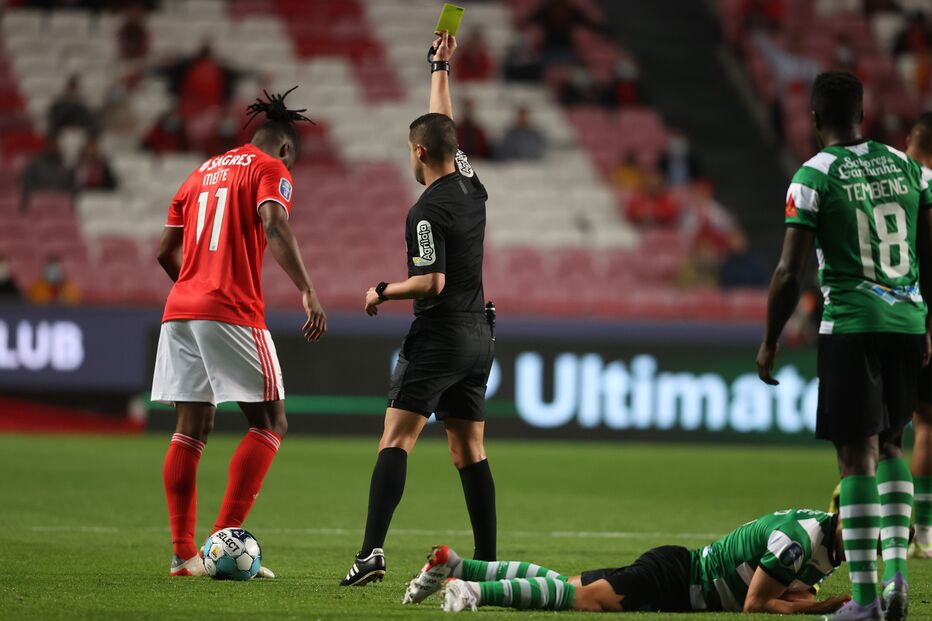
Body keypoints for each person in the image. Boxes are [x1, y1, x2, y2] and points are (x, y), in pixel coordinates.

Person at [756, 72, 932, 621]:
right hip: (907, 322)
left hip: (851, 324)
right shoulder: (907, 166)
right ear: (864, 113)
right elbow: (929, 249)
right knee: (894, 445)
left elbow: (789, 271)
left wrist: (770, 340)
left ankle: (863, 601)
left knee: (855, 457)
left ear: (812, 119)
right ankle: (899, 578)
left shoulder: (813, 175)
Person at [340, 31, 496, 587]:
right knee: (468, 449)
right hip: (480, 334)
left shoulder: (424, 211)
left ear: (418, 152)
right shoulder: (472, 187)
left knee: (395, 439)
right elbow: (445, 131)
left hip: (439, 336)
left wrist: (382, 290)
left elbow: (431, 281)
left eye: (412, 148)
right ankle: (487, 562)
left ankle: (370, 555)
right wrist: (440, 68)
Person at [151, 88, 327, 578]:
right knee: (270, 421)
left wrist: (193, 287)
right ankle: (223, 543)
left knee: (191, 428)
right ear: (286, 148)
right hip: (229, 309)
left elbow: (166, 250)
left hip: (180, 309)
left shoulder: (201, 171)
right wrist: (309, 291)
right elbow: (274, 226)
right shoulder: (271, 169)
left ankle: (184, 555)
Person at [403, 508, 850, 615]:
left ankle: (457, 566)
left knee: (561, 586)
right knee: (578, 599)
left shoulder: (825, 538)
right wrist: (822, 607)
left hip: (678, 570)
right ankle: (474, 591)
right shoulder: (800, 539)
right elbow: (755, 604)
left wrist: (800, 596)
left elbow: (778, 587)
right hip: (677, 582)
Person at [904, 111, 932, 561]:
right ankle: (923, 532)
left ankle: (901, 531)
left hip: (885, 312)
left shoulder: (892, 178)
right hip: (923, 317)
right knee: (927, 425)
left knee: (892, 432)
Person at [20, 138, 73, 209]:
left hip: (60, 200)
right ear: (46, 148)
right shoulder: (36, 163)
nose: (54, 149)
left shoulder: (66, 164)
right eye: (51, 147)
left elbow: (72, 183)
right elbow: (26, 181)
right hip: (39, 199)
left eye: (56, 147)